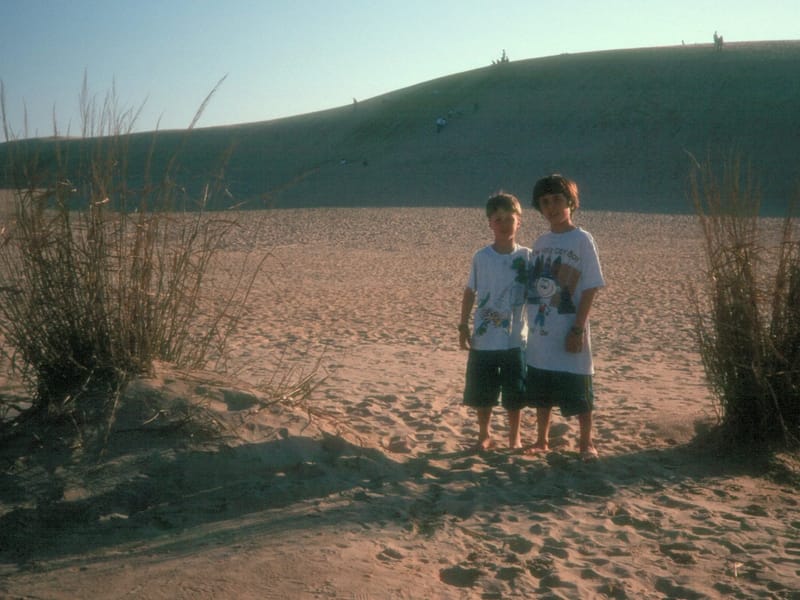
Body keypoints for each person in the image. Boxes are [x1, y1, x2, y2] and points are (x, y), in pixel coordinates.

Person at [524, 174, 605, 460]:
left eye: (557, 200)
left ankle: (586, 443)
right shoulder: (541, 241)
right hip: (542, 330)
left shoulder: (582, 239)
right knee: (542, 386)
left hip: (569, 328)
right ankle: (542, 439)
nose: (551, 207)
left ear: (570, 202)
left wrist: (578, 329)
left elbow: (592, 286)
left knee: (579, 387)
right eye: (545, 202)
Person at [459, 192, 529, 450]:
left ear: (519, 222)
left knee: (515, 392)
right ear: (490, 223)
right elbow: (470, 292)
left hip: (515, 337)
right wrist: (462, 325)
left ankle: (515, 436)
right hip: (484, 336)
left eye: (510, 219)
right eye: (498, 219)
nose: (504, 225)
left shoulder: (528, 257)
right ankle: (484, 434)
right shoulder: (481, 257)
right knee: (483, 392)